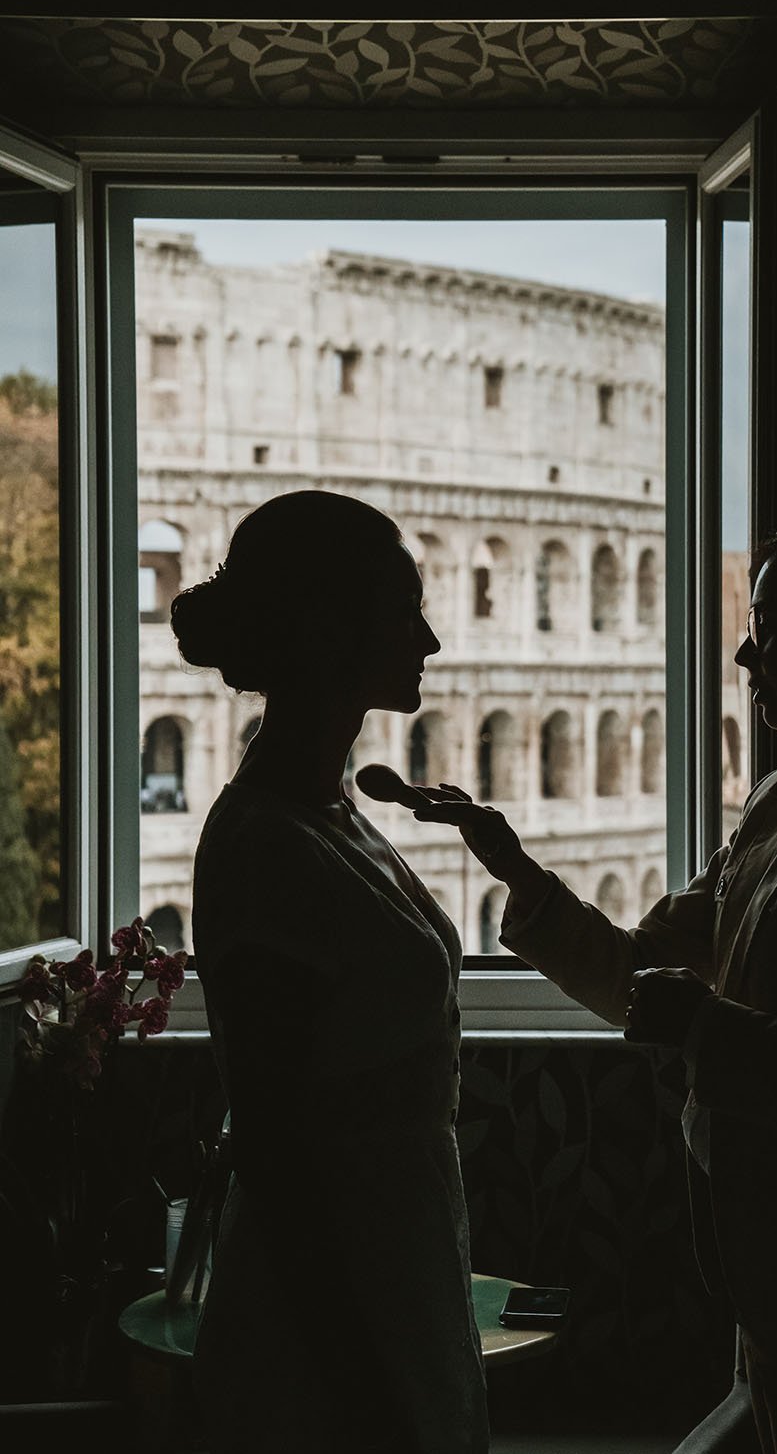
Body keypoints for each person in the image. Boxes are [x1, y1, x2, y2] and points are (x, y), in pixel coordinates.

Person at [409, 507, 777, 1453]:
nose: (743, 656)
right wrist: (515, 870)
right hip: (773, 1288)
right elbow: (640, 975)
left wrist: (705, 1032)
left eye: (770, 629)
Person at [170, 490, 489, 1454]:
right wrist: (363, 1382)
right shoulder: (268, 845)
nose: (428, 639)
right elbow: (273, 1146)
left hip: (396, 1248)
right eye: (404, 611)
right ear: (327, 629)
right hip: (332, 1298)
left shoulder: (335, 815)